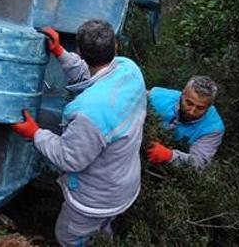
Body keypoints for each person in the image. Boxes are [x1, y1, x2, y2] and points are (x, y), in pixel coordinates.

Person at [12, 20, 147, 246]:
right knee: (101, 231)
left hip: (95, 200)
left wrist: (36, 133)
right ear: (115, 47)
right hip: (123, 185)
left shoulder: (89, 113)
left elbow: (69, 158)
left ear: (81, 52)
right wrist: (60, 53)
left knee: (68, 237)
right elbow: (93, 76)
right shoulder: (129, 70)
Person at [146, 76, 224, 169]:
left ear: (210, 105)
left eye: (200, 108)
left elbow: (200, 162)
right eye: (189, 103)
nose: (191, 111)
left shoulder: (213, 128)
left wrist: (169, 156)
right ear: (182, 94)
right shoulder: (156, 97)